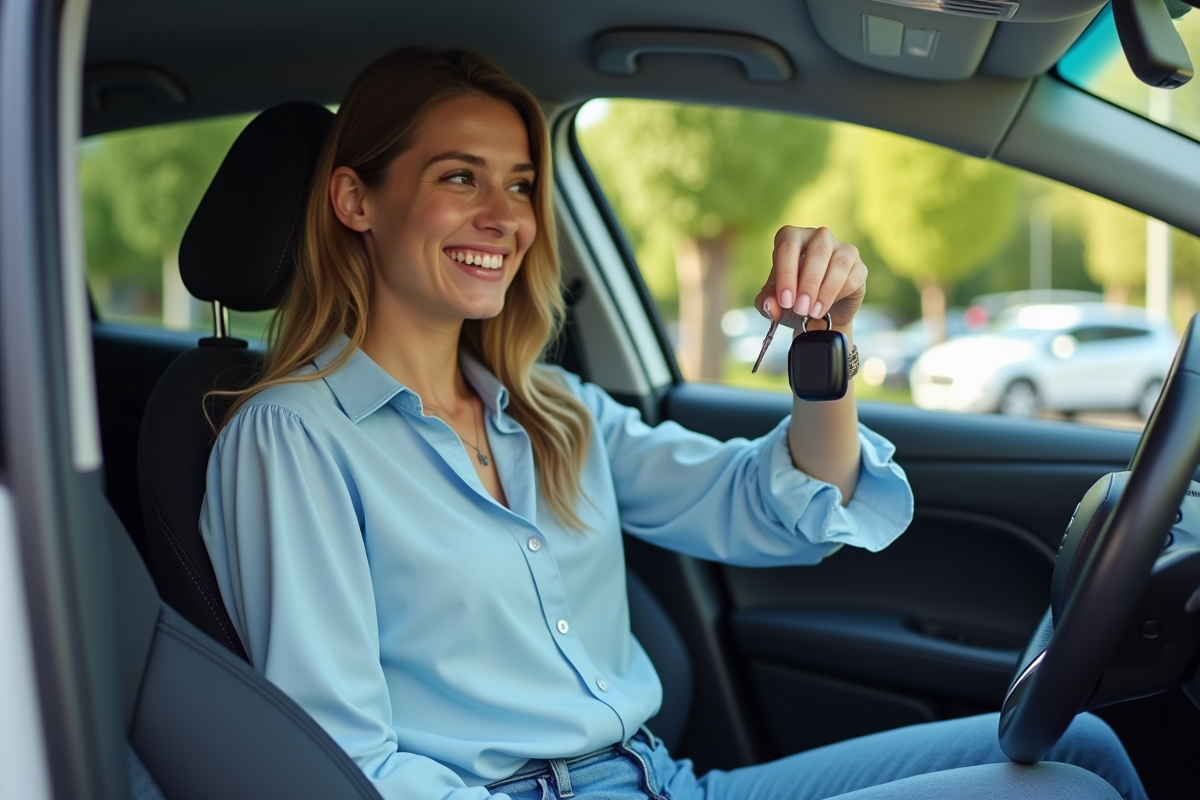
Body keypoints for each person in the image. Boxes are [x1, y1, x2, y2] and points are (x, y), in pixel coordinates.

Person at [199, 47, 1146, 800]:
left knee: (1082, 745)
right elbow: (341, 761)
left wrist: (823, 346)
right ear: (355, 200)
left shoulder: (555, 410)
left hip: (667, 780)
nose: (505, 218)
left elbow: (775, 508)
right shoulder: (293, 437)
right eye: (460, 178)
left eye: (521, 185)